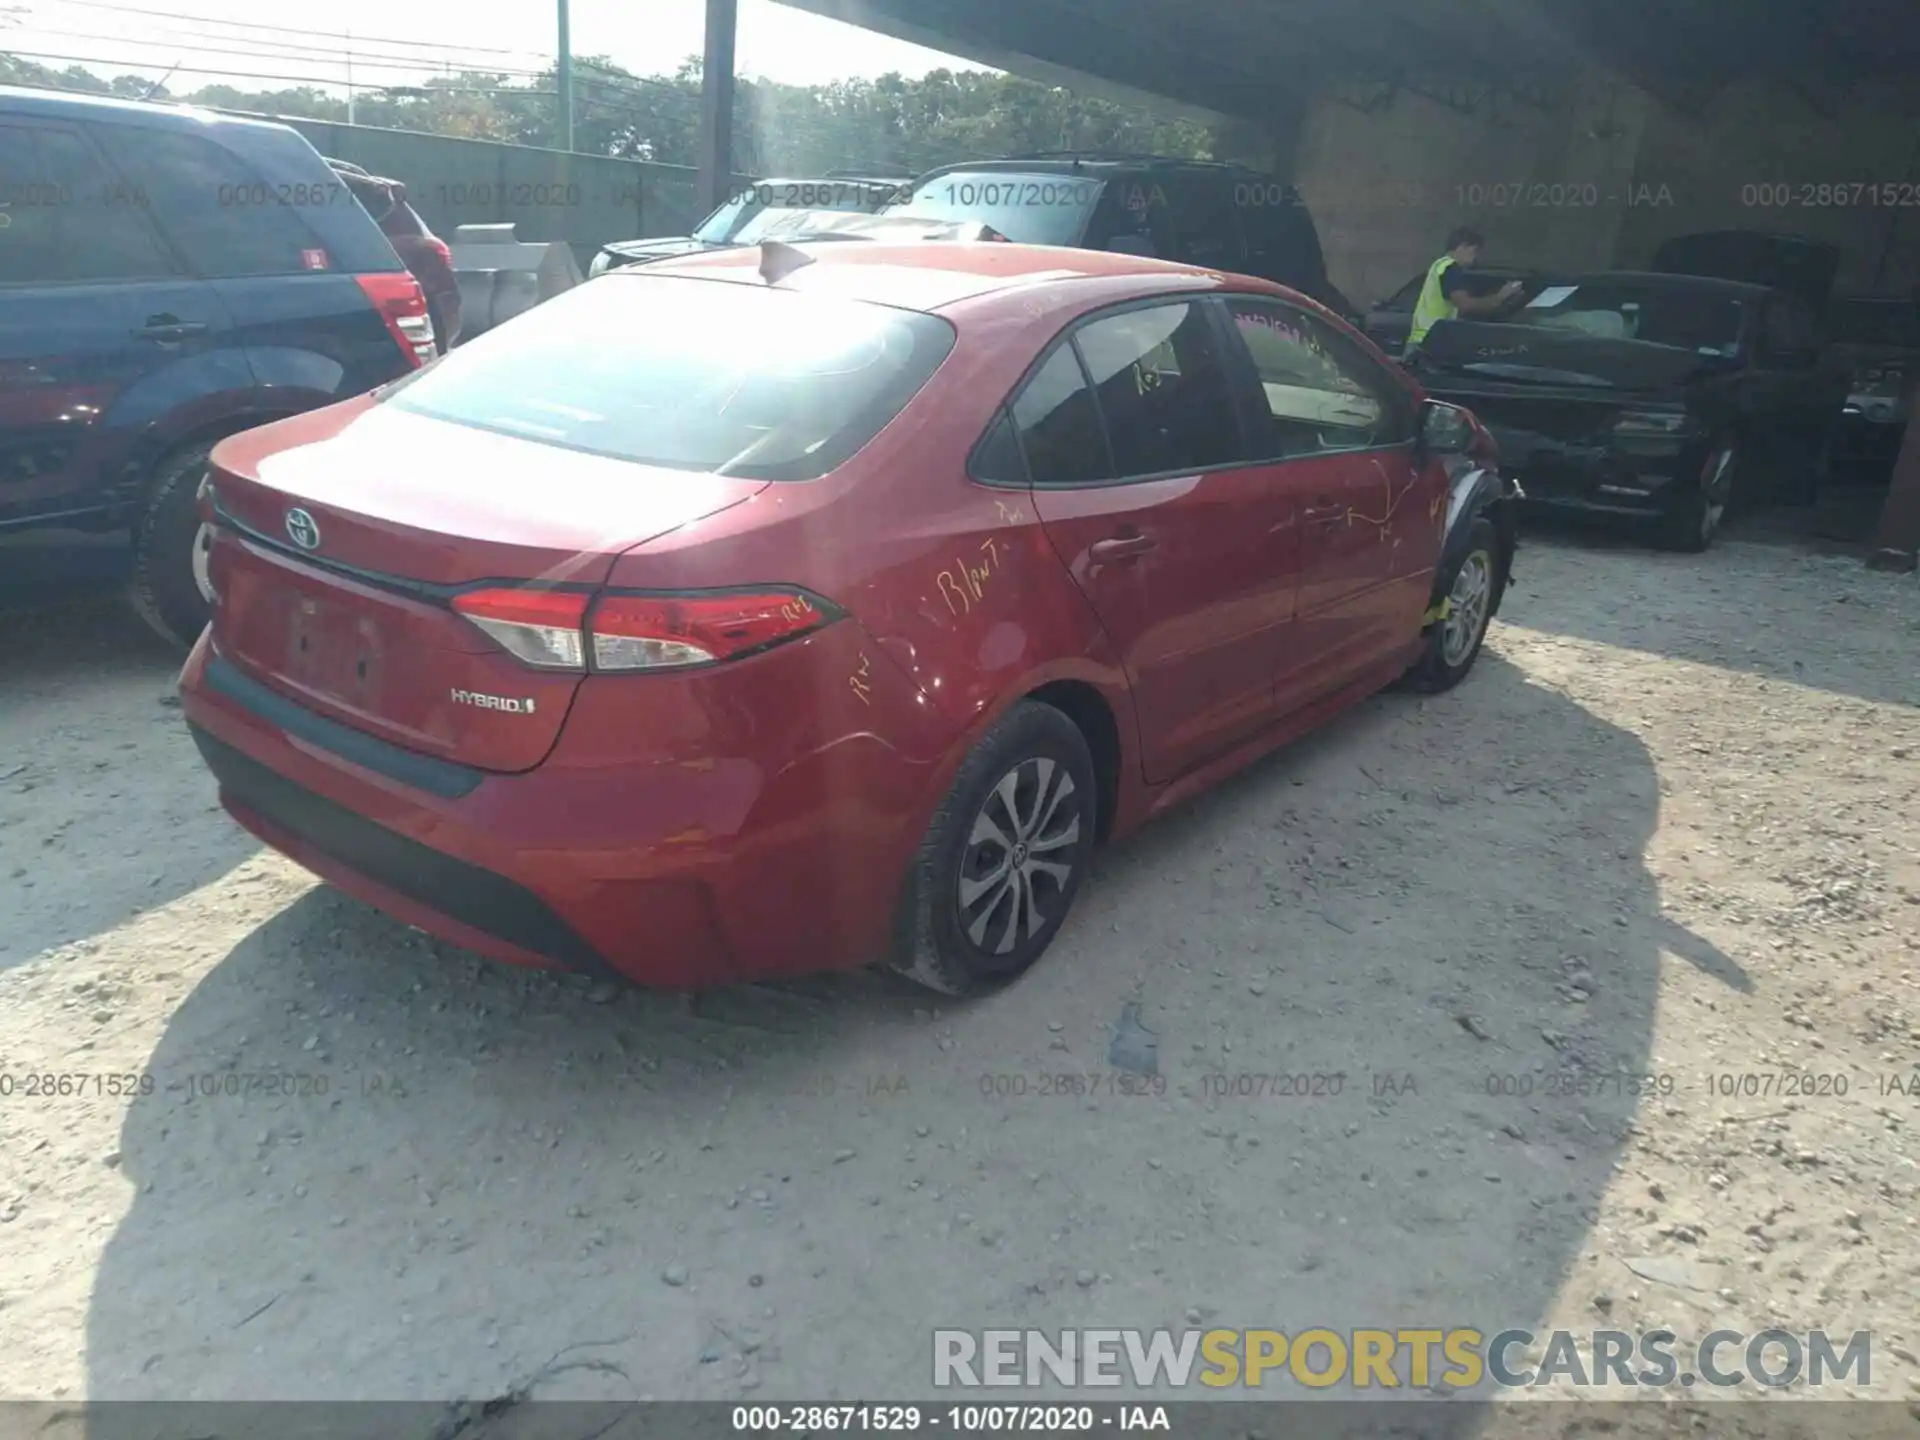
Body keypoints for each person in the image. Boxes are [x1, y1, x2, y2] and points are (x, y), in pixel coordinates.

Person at [1406, 226, 1524, 355]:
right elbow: (1465, 305)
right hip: (1430, 343)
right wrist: (1501, 296)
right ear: (1462, 246)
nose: (1475, 258)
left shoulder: (1439, 265)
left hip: (1423, 339)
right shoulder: (1451, 268)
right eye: (1473, 251)